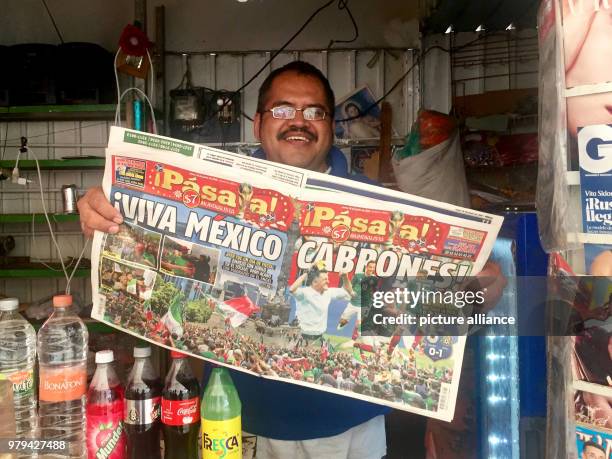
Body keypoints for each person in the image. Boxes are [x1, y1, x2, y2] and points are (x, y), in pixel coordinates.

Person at [77, 60, 505, 459]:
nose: (299, 120)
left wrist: (472, 298)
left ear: (331, 128)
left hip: (347, 430)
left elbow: (392, 309)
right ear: (259, 122)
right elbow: (160, 252)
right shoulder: (215, 191)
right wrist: (104, 212)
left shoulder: (382, 210)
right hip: (235, 422)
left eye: (314, 112)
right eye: (283, 109)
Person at [290, 267, 351, 342]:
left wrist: (345, 277)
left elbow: (348, 292)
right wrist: (306, 273)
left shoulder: (328, 292)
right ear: (315, 282)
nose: (328, 282)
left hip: (319, 337)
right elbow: (292, 289)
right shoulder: (304, 293)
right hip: (301, 335)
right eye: (325, 280)